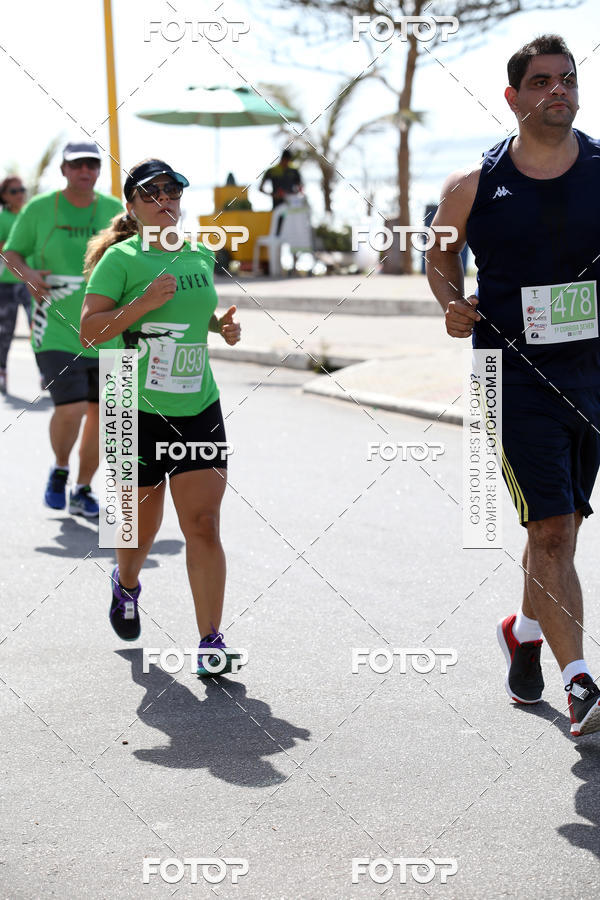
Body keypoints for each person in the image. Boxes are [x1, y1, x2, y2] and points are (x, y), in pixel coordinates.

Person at [427, 34, 600, 737]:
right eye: (541, 81)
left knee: (563, 527)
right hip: (511, 375)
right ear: (512, 97)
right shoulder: (473, 184)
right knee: (550, 528)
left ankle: (524, 630)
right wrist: (450, 302)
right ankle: (580, 683)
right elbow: (440, 257)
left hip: (591, 375)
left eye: (567, 79)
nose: (558, 90)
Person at [80, 158, 242, 676]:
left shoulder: (198, 253)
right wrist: (143, 303)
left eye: (172, 191)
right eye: (152, 193)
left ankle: (210, 641)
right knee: (136, 529)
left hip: (197, 404)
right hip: (132, 405)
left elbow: (192, 314)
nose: (165, 200)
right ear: (132, 207)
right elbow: (90, 331)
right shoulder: (120, 260)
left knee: (203, 524)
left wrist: (218, 326)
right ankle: (126, 584)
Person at [3, 142, 122, 517]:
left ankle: (82, 489)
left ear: (98, 170)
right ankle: (60, 469)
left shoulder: (115, 210)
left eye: (92, 164)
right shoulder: (40, 208)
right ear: (64, 170)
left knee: (104, 418)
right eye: (77, 164)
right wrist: (28, 274)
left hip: (107, 330)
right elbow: (11, 252)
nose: (85, 171)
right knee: (71, 409)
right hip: (55, 327)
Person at [0, 175, 31, 394]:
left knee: (37, 326)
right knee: (5, 331)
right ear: (4, 196)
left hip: (30, 281)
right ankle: (2, 371)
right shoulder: (3, 219)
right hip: (7, 283)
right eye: (14, 191)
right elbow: (5, 250)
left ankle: (45, 374)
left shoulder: (31, 215)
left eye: (22, 190)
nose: (19, 194)